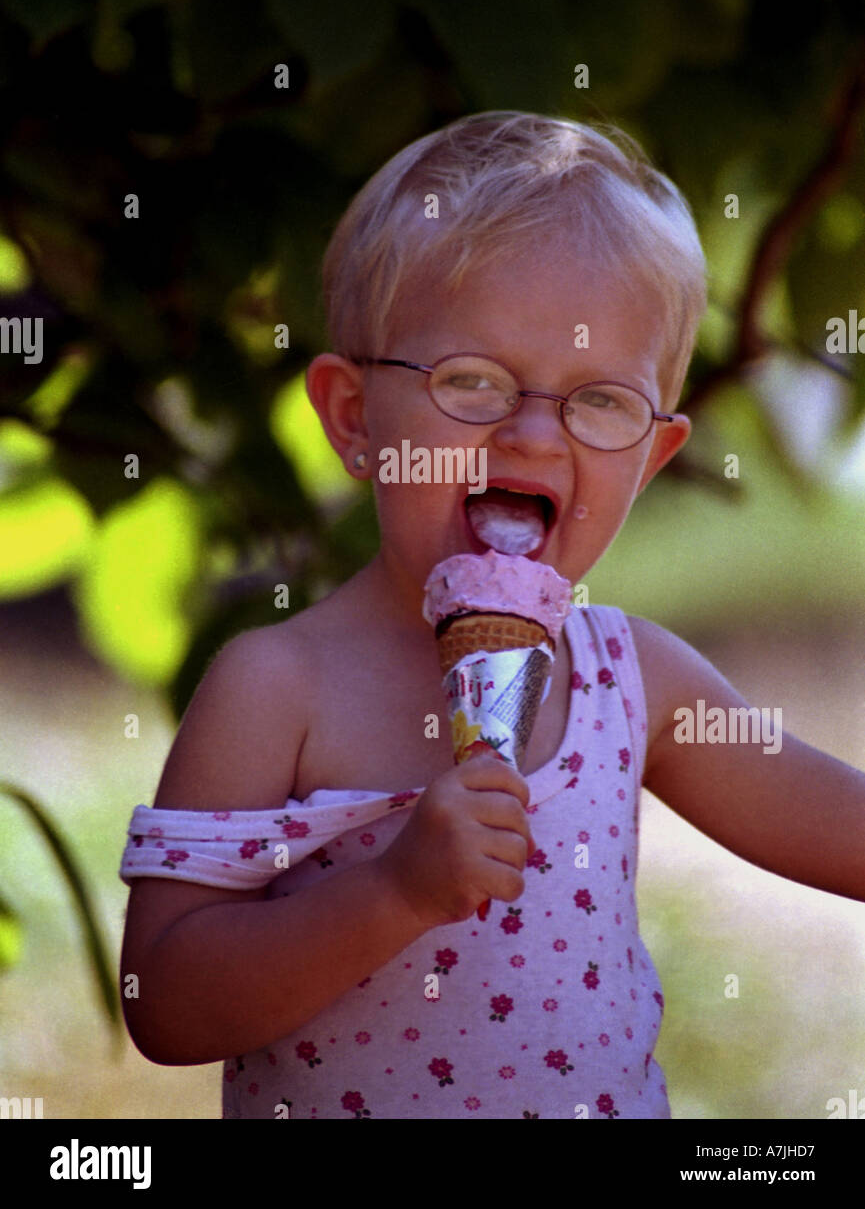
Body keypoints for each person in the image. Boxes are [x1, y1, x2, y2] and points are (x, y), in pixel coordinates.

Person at [118, 110, 865, 1119]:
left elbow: (838, 828)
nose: (530, 433)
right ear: (354, 419)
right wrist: (391, 893)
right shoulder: (275, 687)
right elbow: (162, 1001)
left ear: (649, 457)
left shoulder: (634, 681)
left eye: (598, 400)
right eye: (470, 382)